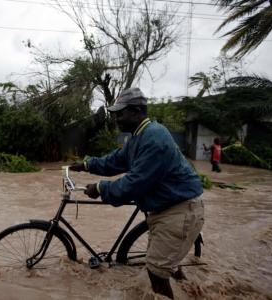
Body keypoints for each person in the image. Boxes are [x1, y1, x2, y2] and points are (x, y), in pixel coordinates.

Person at [70, 87, 204, 299]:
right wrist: (86, 165)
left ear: (136, 111)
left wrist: (100, 188)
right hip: (165, 208)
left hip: (179, 211)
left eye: (120, 113)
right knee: (162, 264)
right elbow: (115, 161)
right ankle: (189, 289)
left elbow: (135, 183)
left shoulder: (154, 138)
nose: (116, 118)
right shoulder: (137, 137)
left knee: (156, 273)